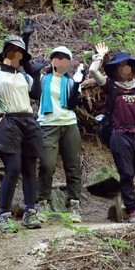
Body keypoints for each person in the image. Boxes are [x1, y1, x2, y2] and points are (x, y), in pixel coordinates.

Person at [89, 42, 135, 224]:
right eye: (121, 65)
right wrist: (101, 55)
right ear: (116, 69)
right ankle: (133, 211)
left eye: (127, 65)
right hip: (119, 134)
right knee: (126, 173)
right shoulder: (111, 86)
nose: (125, 68)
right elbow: (93, 72)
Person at [0, 34, 44, 233]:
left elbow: (35, 96)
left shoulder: (24, 76)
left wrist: (35, 75)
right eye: (12, 51)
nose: (16, 55)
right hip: (7, 121)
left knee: (30, 169)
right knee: (13, 168)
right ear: (5, 54)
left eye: (19, 53)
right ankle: (4, 215)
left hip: (28, 120)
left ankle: (30, 212)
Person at [36, 46, 86, 223]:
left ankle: (74, 203)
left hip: (69, 124)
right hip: (47, 125)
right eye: (57, 58)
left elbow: (72, 104)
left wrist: (78, 84)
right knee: (47, 164)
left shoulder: (72, 82)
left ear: (69, 63)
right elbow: (34, 93)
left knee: (73, 166)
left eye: (65, 59)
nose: (60, 62)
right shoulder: (42, 79)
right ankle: (42, 202)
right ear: (52, 61)